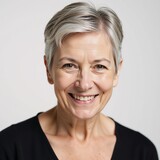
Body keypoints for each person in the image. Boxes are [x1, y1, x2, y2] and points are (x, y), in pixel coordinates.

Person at [0, 2, 158, 160]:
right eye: (69, 65)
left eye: (99, 66)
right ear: (48, 69)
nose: (84, 84)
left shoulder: (142, 152)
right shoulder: (9, 147)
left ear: (116, 72)